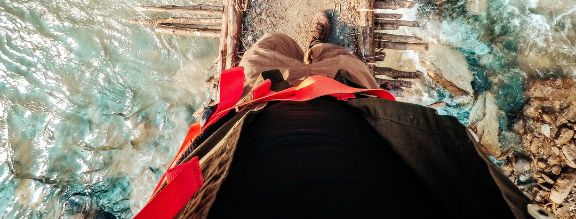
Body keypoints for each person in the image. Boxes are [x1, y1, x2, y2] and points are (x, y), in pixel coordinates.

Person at [137, 12, 553, 219]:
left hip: (248, 117)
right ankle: (318, 53)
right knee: (333, 62)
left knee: (272, 49)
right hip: (343, 116)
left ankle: (308, 56)